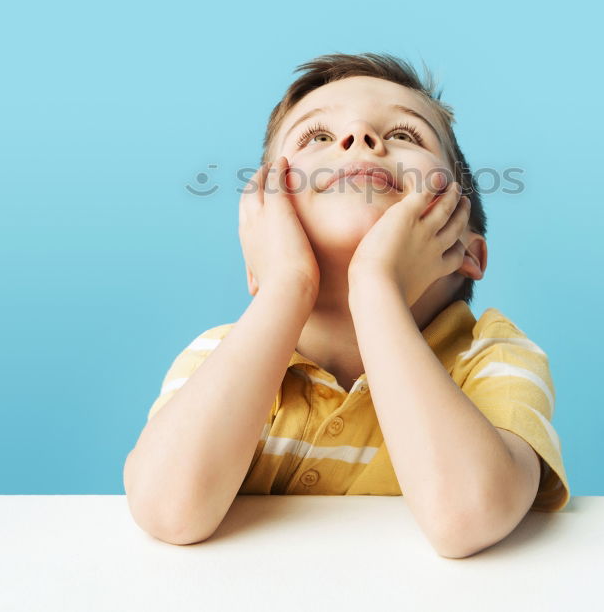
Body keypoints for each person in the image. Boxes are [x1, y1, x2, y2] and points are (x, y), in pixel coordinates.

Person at [124, 52, 570, 556]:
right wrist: (286, 285)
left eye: (405, 135)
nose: (358, 136)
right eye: (316, 137)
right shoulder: (218, 356)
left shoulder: (492, 355)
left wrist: (376, 287)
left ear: (466, 248)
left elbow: (467, 514)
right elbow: (167, 510)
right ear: (261, 240)